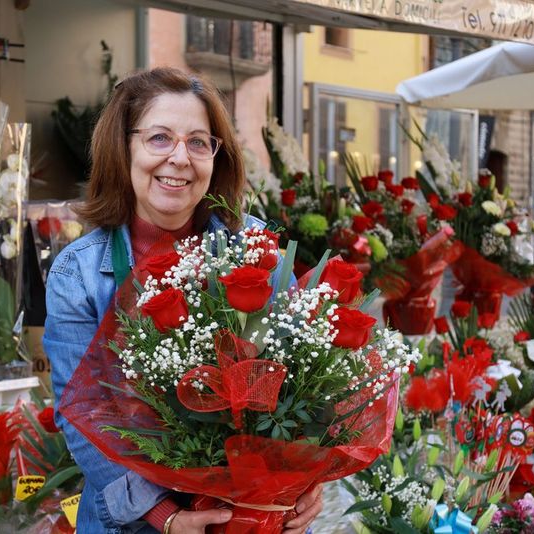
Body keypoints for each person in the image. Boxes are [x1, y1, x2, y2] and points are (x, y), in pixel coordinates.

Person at [43, 67, 324, 534]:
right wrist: (166, 517)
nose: (180, 158)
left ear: (217, 155)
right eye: (159, 138)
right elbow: (83, 419)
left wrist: (307, 482)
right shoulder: (80, 273)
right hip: (133, 523)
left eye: (198, 142)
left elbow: (306, 381)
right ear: (124, 148)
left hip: (254, 512)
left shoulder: (254, 246)